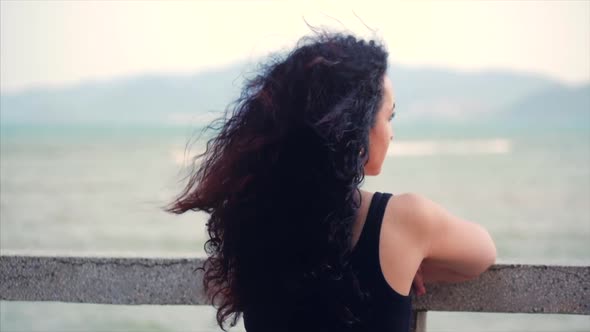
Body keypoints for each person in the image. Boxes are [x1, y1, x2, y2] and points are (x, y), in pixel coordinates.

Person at [165, 31, 496, 332]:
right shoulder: (402, 220)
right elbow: (482, 252)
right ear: (354, 128)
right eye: (388, 116)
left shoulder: (252, 223)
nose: (392, 132)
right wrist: (411, 255)